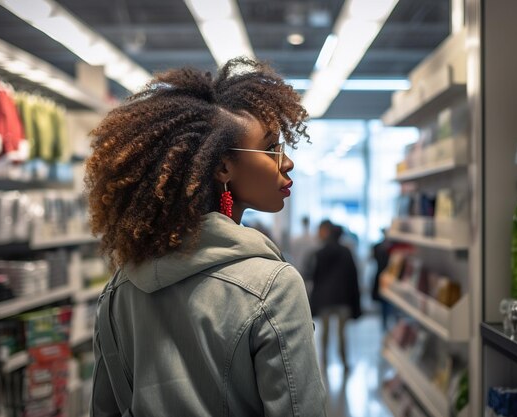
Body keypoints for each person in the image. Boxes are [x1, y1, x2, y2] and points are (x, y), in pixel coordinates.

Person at [86, 57, 327, 417]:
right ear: (223, 167)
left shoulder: (120, 289)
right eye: (271, 148)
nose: (286, 162)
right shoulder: (273, 287)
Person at [308, 220, 361, 372]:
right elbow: (353, 278)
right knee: (342, 334)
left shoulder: (320, 253)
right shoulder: (346, 252)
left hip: (325, 300)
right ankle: (344, 363)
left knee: (324, 334)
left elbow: (315, 279)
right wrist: (356, 303)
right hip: (343, 299)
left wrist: (314, 302)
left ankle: (323, 363)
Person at [288, 215, 318, 293]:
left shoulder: (296, 239)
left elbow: (292, 253)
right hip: (308, 270)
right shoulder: (313, 239)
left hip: (299, 267)